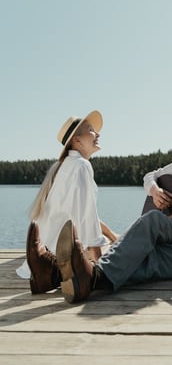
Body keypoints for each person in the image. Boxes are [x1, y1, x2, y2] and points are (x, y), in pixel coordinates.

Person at [40, 109, 172, 303]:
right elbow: (151, 176)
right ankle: (82, 274)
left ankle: (72, 275)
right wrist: (155, 190)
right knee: (151, 220)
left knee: (156, 258)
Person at [17, 110, 118, 294]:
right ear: (77, 141)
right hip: (64, 252)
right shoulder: (81, 166)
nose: (98, 134)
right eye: (91, 130)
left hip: (50, 248)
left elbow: (84, 214)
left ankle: (49, 272)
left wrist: (111, 234)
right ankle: (61, 271)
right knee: (124, 251)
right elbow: (87, 218)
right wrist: (102, 266)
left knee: (116, 242)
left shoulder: (65, 167)